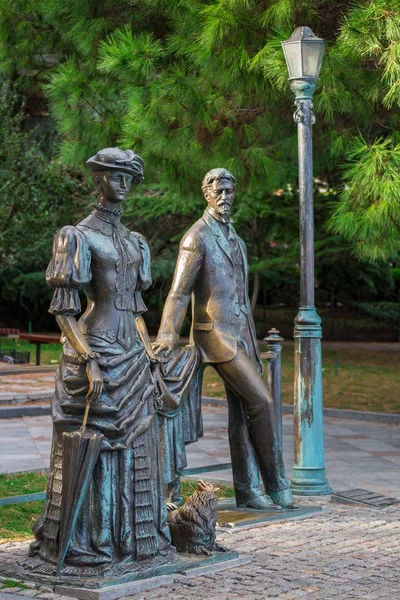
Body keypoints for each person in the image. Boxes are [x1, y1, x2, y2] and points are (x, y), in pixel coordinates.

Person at [26, 148, 176, 578]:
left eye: (130, 177)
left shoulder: (134, 241)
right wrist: (87, 358)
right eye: (116, 176)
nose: (124, 183)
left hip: (132, 355)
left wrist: (149, 352)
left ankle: (133, 540)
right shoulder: (77, 236)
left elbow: (135, 307)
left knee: (137, 446)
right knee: (95, 443)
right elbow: (63, 309)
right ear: (99, 180)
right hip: (96, 350)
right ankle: (87, 541)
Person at [153, 168, 297, 510]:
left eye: (229, 191)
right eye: (218, 191)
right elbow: (178, 293)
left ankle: (249, 490)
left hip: (241, 334)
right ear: (206, 193)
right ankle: (277, 485)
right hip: (213, 335)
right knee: (261, 401)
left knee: (242, 410)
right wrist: (167, 335)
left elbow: (240, 297)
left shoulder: (237, 240)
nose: (224, 197)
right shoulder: (196, 236)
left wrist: (251, 337)